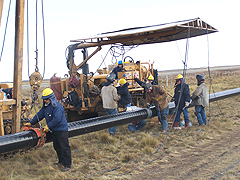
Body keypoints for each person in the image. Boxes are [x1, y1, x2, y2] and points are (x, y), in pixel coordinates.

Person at [24, 88, 71, 172]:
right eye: (44, 99)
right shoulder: (45, 107)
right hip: (54, 130)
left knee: (64, 147)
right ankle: (61, 162)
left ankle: (67, 164)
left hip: (61, 130)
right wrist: (31, 123)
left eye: (46, 99)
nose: (45, 101)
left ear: (51, 98)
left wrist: (48, 126)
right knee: (57, 147)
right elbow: (39, 115)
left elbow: (57, 119)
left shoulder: (57, 107)